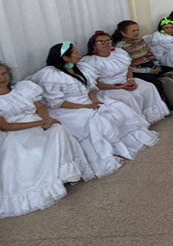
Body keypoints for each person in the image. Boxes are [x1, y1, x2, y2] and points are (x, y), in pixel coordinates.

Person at [32, 42, 158, 172]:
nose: (79, 55)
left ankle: (119, 145)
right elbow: (58, 102)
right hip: (68, 108)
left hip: (87, 101)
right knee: (95, 120)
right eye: (75, 53)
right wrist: (85, 106)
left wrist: (95, 101)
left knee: (116, 108)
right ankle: (106, 152)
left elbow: (91, 89)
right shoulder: (52, 76)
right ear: (65, 58)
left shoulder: (82, 68)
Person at [0, 62, 87, 217]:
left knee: (58, 129)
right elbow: (5, 127)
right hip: (16, 130)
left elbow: (40, 107)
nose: (2, 78)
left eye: (4, 73)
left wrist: (46, 119)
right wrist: (39, 123)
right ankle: (45, 182)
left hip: (37, 121)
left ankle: (65, 172)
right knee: (20, 149)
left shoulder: (23, 88)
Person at [82, 31, 172, 123]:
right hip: (107, 87)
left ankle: (151, 117)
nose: (105, 44)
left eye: (108, 40)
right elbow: (96, 84)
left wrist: (130, 80)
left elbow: (128, 68)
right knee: (127, 97)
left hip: (125, 80)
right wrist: (119, 87)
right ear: (93, 45)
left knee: (149, 87)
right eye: (101, 42)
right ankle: (138, 122)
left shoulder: (119, 53)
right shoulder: (90, 61)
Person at [112, 20, 173, 105]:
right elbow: (127, 67)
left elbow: (149, 54)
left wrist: (156, 64)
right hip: (137, 70)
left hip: (150, 65)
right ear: (123, 33)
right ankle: (168, 105)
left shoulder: (140, 40)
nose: (137, 33)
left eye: (137, 30)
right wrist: (148, 70)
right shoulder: (120, 47)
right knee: (155, 82)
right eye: (133, 31)